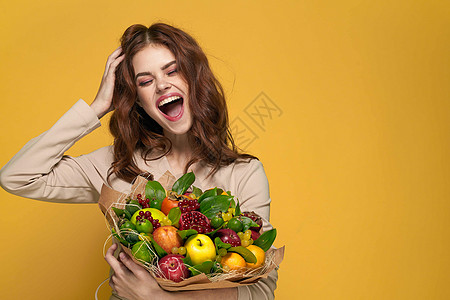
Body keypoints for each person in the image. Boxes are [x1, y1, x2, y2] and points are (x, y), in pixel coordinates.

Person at [0, 23, 278, 299]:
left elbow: (261, 290)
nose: (161, 84)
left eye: (172, 70)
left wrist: (161, 298)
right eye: (145, 81)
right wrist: (96, 107)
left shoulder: (244, 173)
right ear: (138, 100)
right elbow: (16, 176)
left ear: (195, 79)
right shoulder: (116, 165)